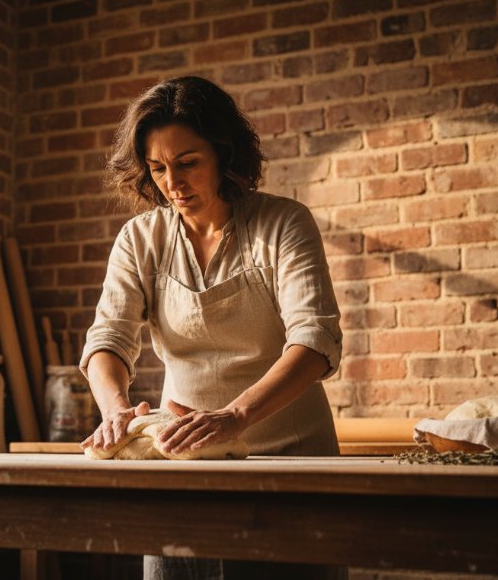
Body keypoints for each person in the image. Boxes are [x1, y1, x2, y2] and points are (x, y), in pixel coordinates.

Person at [79, 76, 344, 580]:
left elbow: (314, 341)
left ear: (224, 154)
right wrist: (116, 412)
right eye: (157, 168)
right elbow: (108, 340)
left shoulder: (284, 224)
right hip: (185, 465)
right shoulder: (140, 239)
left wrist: (235, 416)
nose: (172, 184)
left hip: (292, 465)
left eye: (188, 163)